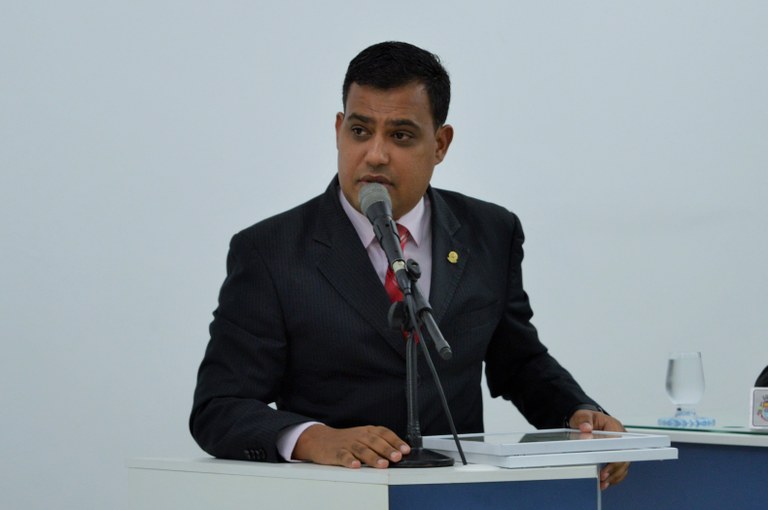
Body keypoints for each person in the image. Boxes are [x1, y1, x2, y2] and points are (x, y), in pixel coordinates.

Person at [190, 41, 629, 490]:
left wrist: (578, 414)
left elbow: (518, 362)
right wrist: (314, 439)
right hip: (335, 495)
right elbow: (219, 407)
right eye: (360, 131)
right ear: (339, 130)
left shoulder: (490, 232)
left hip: (456, 495)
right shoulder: (270, 251)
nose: (375, 154)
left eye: (400, 135)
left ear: (440, 144)